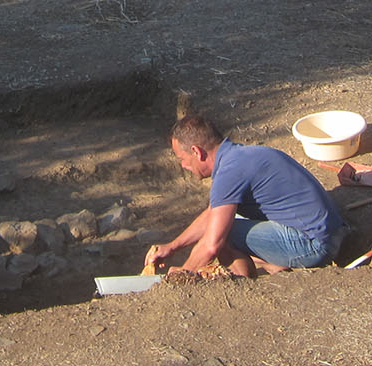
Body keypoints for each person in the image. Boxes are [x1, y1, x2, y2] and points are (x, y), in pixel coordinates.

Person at [147, 113, 349, 276]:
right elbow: (212, 213)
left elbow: (211, 245)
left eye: (182, 158)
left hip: (315, 245)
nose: (183, 165)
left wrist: (183, 274)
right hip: (332, 232)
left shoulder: (229, 173)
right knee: (222, 221)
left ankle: (243, 285)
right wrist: (172, 247)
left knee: (222, 235)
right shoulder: (239, 157)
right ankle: (272, 265)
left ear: (197, 152)